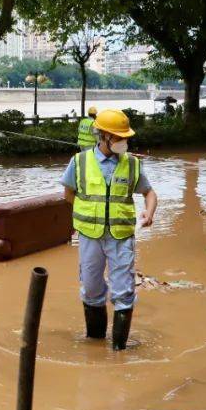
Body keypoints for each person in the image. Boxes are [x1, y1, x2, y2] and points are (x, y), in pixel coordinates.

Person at [61, 109, 158, 350]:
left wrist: (149, 211)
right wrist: (91, 213)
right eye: (118, 137)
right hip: (90, 235)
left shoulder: (132, 164)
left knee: (123, 290)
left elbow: (149, 193)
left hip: (121, 236)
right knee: (91, 287)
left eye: (125, 138)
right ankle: (95, 344)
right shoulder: (79, 162)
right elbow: (69, 194)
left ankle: (119, 350)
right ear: (103, 136)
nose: (123, 142)